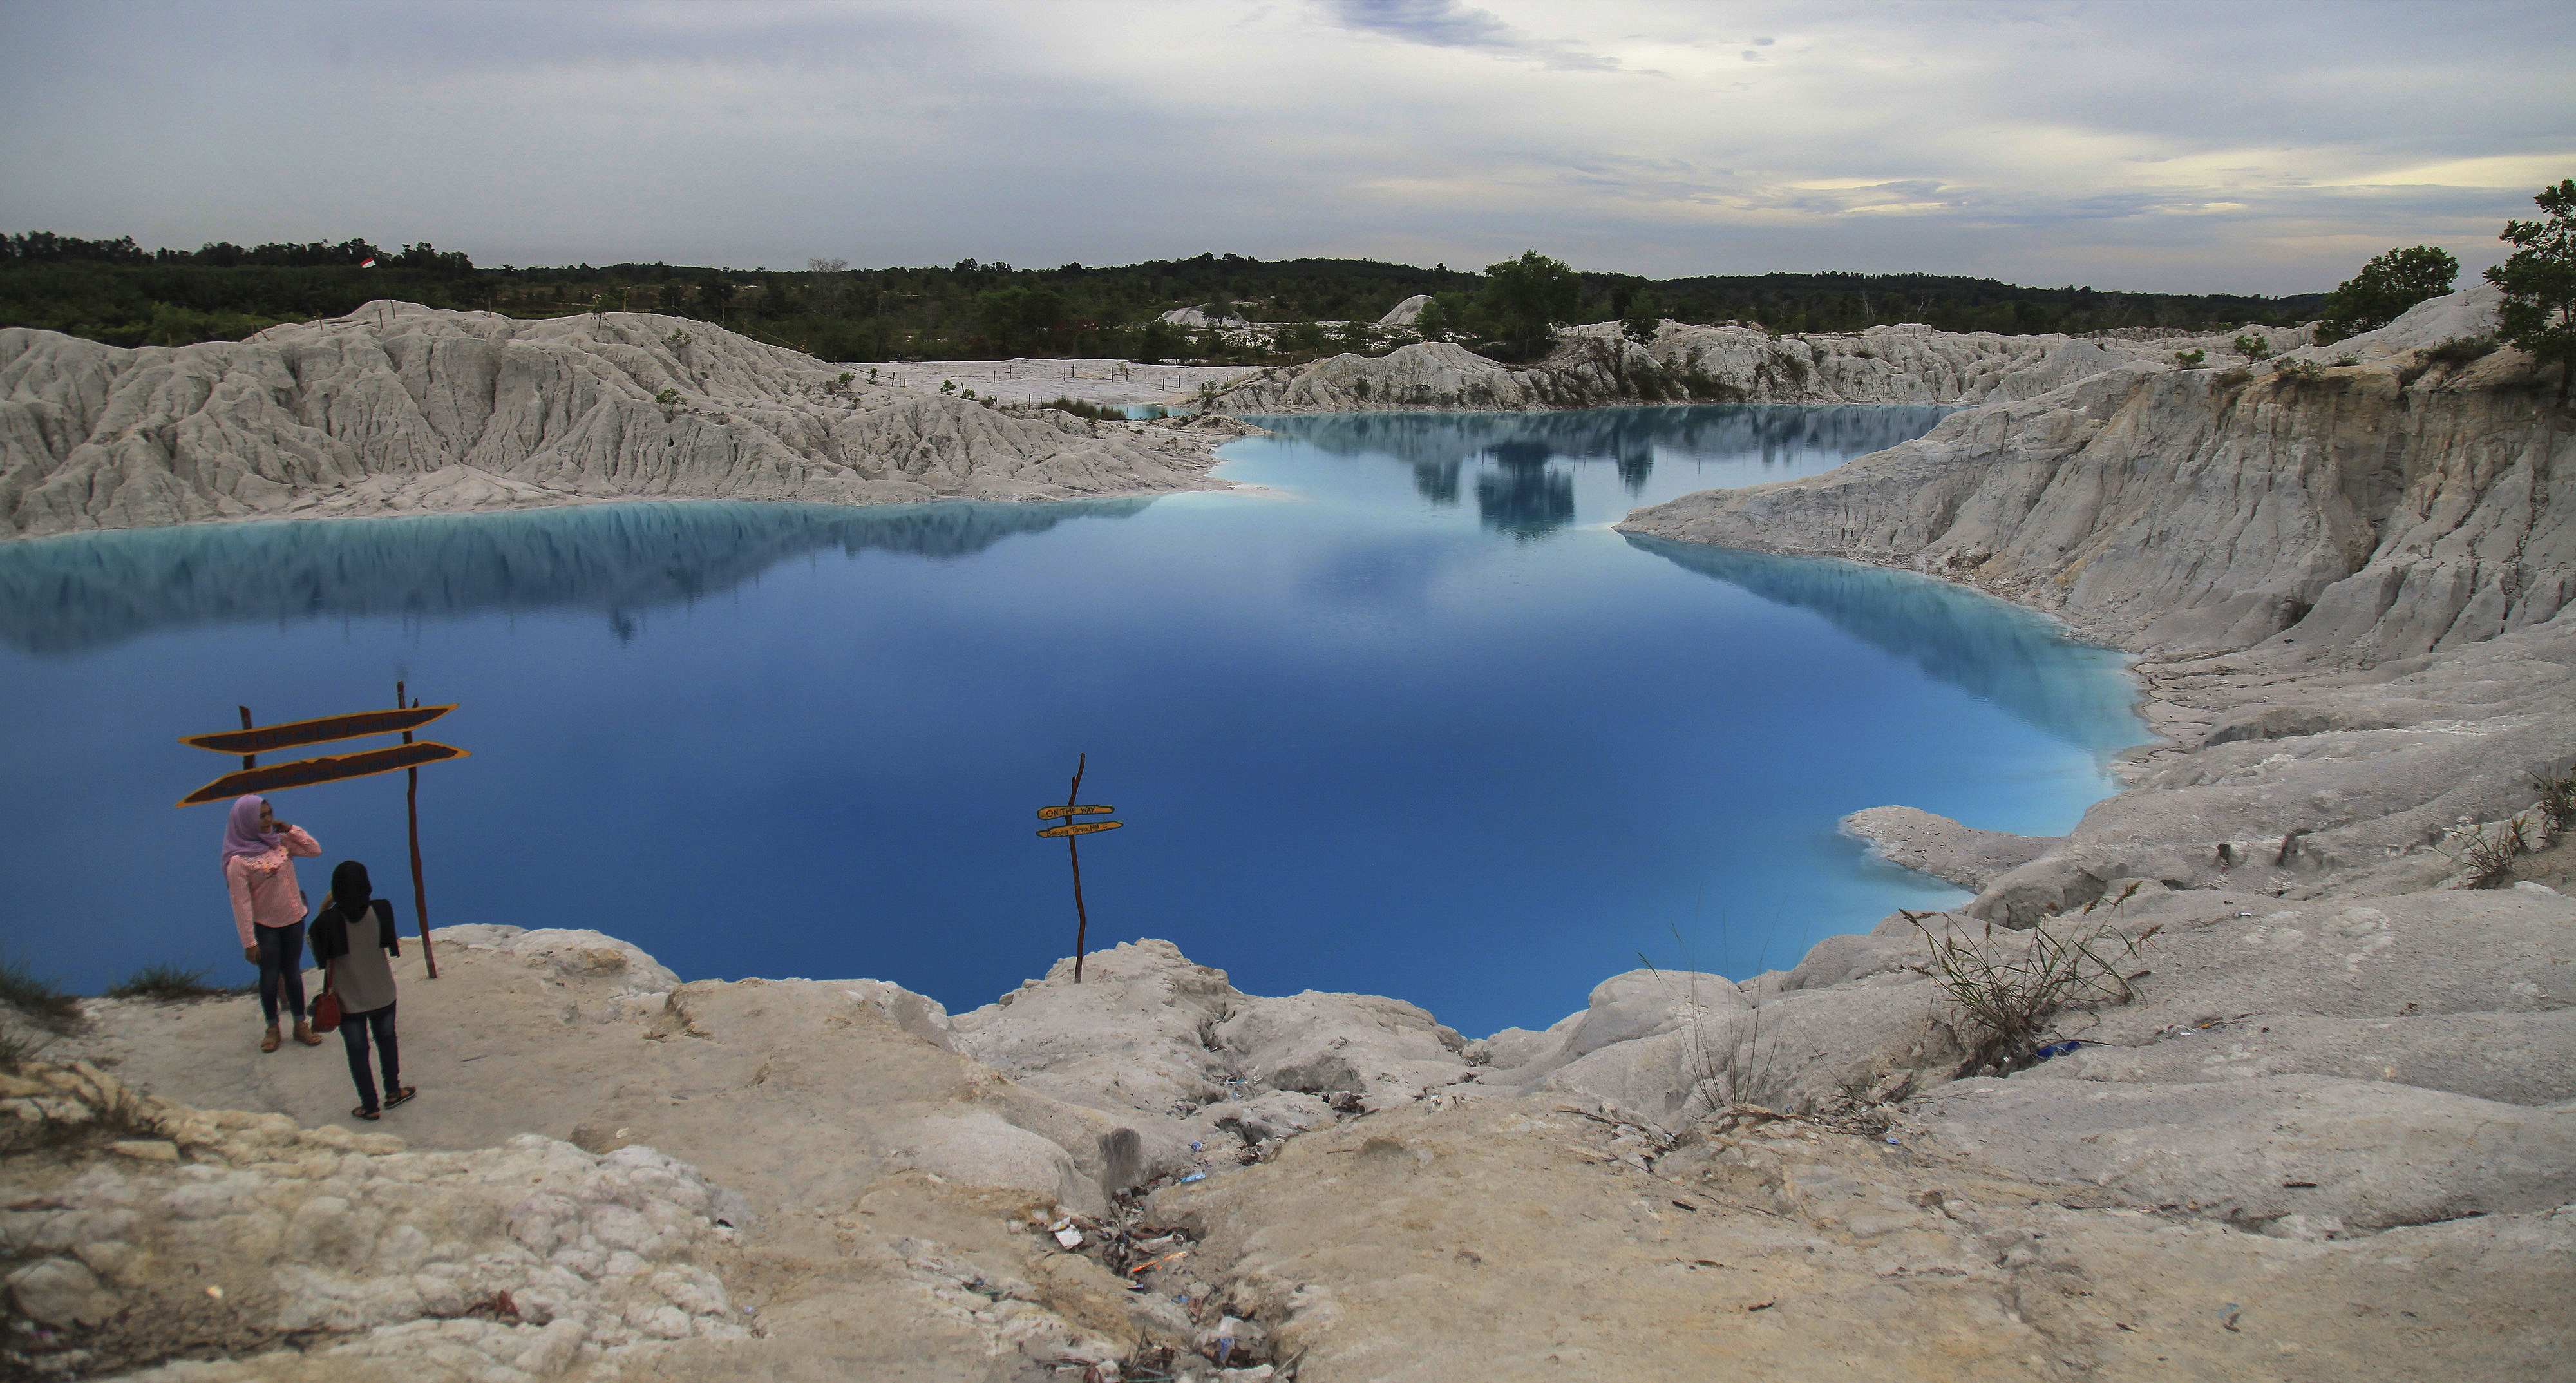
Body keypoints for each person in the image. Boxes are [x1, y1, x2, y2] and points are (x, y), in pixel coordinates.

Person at [309, 860, 413, 1121]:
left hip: (349, 1002)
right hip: (383, 994)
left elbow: (316, 950)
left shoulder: (328, 922)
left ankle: (369, 1106)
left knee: (357, 1052)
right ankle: (393, 1091)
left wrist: (325, 908)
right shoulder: (382, 909)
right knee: (387, 1041)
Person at [222, 794, 323, 1053]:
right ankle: (272, 1028)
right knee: (269, 977)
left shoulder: (280, 842)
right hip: (267, 927)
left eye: (269, 814)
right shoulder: (239, 862)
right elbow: (241, 904)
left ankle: (300, 1024)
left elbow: (314, 850)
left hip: (294, 920)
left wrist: (290, 829)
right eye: (261, 816)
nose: (267, 820)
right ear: (245, 821)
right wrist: (249, 942)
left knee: (293, 974)